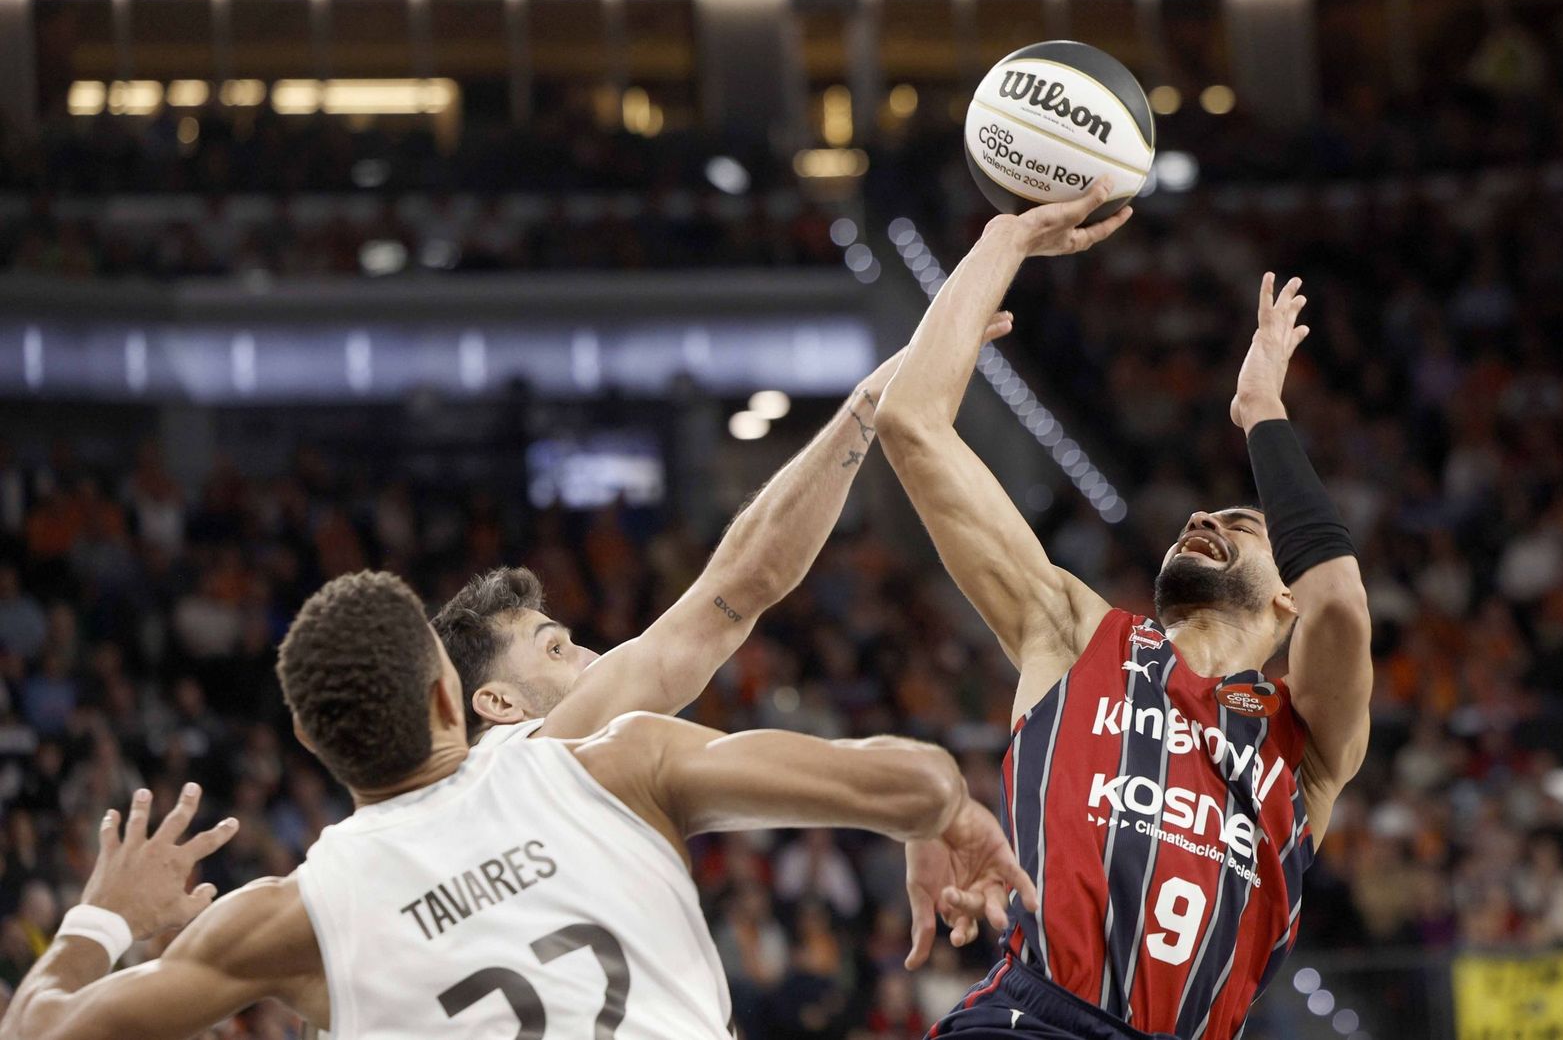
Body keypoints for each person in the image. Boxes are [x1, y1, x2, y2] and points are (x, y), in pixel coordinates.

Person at [0, 571, 1035, 1040]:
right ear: (452, 698)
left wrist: (103, 916)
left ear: (314, 746)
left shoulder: (286, 917)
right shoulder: (610, 761)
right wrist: (932, 818)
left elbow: (39, 1032)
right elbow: (912, 777)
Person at [876, 182, 1372, 1039]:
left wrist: (1262, 412)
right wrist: (1005, 241)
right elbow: (912, 424)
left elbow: (1342, 607)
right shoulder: (1079, 634)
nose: (1202, 517)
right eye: (1202, 517)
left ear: (1285, 590)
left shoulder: (1306, 746)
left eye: (1242, 523)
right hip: (1032, 1020)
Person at [432, 327, 1002, 746]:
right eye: (555, 650)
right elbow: (747, 581)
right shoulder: (529, 754)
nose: (593, 656)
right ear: (499, 702)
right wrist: (870, 401)